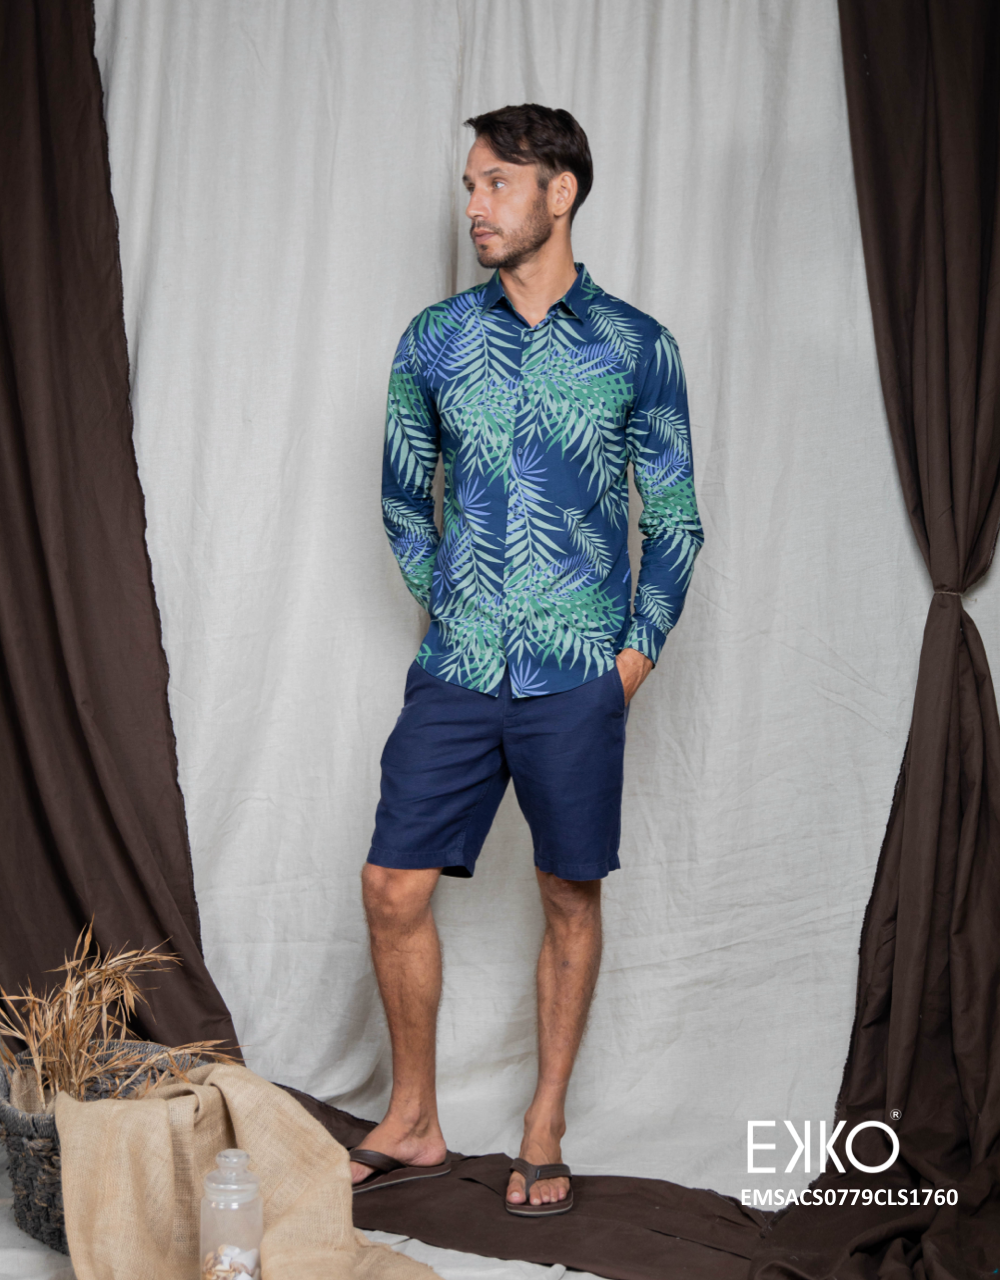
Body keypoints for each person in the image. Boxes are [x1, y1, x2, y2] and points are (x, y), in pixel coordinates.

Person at [350, 104, 703, 1217]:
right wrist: (454, 602)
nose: (473, 206)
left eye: (495, 182)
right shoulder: (434, 339)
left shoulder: (637, 347)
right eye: (471, 185)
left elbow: (675, 518)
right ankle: (413, 1117)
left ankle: (543, 1124)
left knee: (566, 894)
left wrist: (630, 659)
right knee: (391, 884)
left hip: (577, 674)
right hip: (458, 669)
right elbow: (403, 497)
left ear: (560, 191)